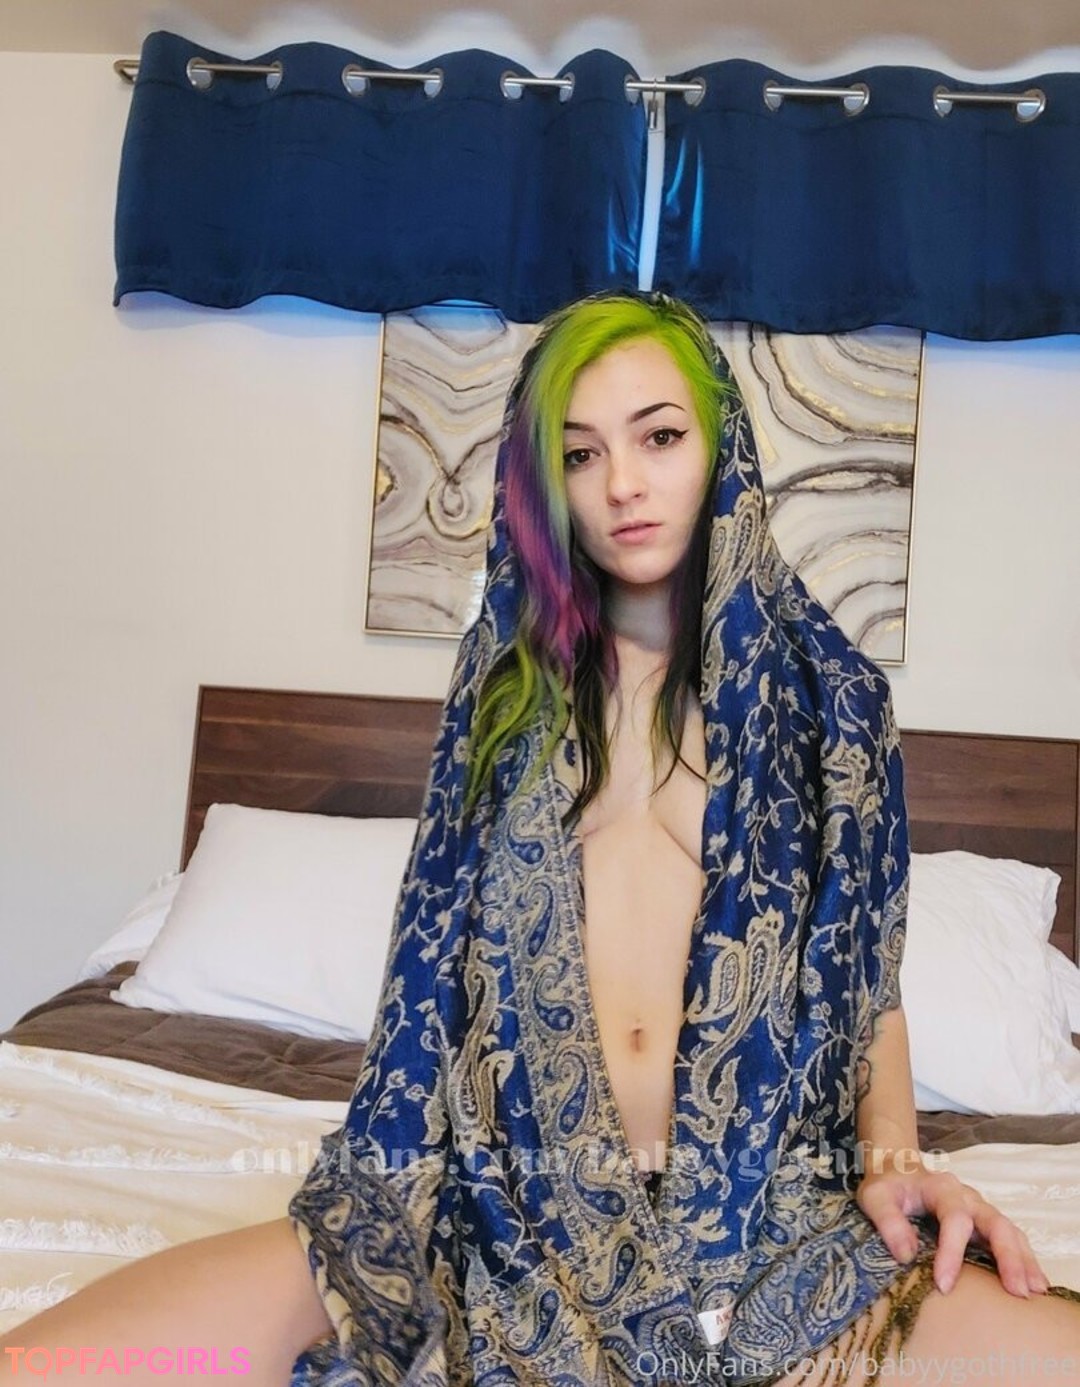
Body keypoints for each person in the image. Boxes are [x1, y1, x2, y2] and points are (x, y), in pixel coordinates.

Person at [5, 291, 1079, 1385]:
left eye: (659, 437)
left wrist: (894, 1162)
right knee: (46, 1363)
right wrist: (397, 1193)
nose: (623, 485)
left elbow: (866, 978)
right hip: (495, 1221)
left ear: (722, 448)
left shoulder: (832, 703)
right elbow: (429, 959)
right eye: (580, 453)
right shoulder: (503, 696)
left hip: (769, 1235)